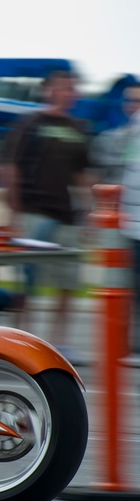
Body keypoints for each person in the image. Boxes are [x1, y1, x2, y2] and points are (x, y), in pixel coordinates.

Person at [0, 70, 93, 350]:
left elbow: (82, 174)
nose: (70, 92)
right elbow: (8, 167)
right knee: (27, 283)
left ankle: (59, 344)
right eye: (64, 87)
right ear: (50, 90)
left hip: (65, 217)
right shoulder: (31, 124)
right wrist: (12, 214)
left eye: (73, 88)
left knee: (68, 283)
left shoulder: (78, 129)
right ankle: (23, 340)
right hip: (33, 212)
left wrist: (89, 215)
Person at [113, 84, 140, 351]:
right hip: (127, 224)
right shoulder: (125, 133)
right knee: (125, 286)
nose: (134, 105)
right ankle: (126, 342)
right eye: (131, 100)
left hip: (130, 221)